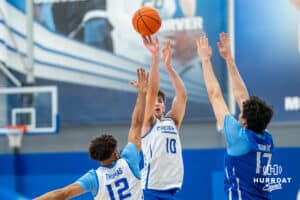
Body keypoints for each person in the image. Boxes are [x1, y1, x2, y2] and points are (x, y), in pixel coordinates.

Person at [34, 68, 148, 200]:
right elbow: (137, 124)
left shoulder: (94, 178)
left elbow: (62, 194)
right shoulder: (128, 160)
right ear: (116, 153)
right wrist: (142, 94)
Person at [196, 32, 275, 199]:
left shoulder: (239, 138)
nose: (239, 113)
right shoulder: (266, 138)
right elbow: (242, 97)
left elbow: (215, 95)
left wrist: (205, 60)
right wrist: (229, 60)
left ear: (244, 122)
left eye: (241, 114)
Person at [141, 36, 187, 199]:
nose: (156, 104)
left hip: (171, 189)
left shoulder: (172, 121)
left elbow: (181, 96)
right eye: (153, 101)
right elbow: (152, 90)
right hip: (151, 189)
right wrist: (155, 58)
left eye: (160, 101)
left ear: (164, 106)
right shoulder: (147, 123)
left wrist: (168, 66)